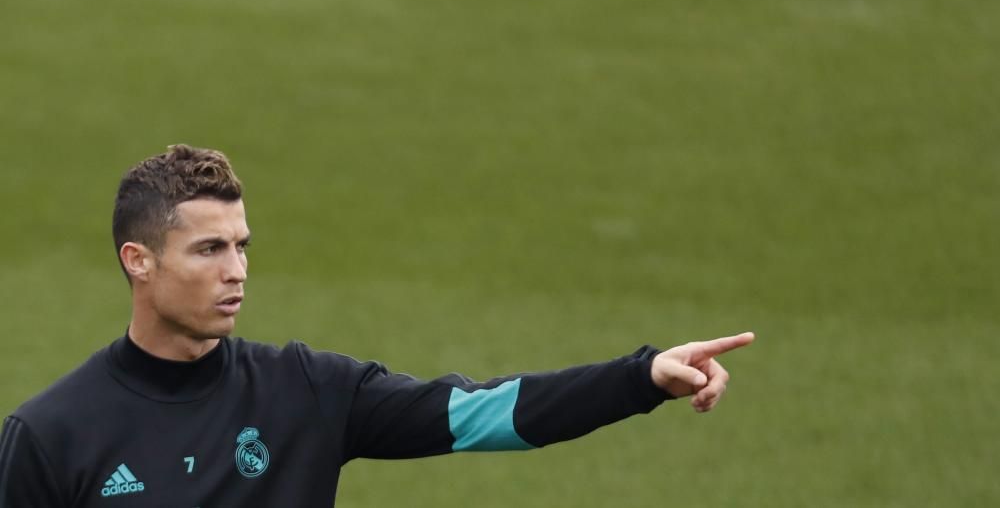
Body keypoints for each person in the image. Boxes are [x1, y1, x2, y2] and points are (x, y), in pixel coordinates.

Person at [0, 145, 754, 507]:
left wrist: (642, 376)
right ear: (138, 260)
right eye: (209, 248)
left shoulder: (307, 390)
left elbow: (485, 414)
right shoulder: (52, 433)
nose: (237, 269)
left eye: (241, 245)